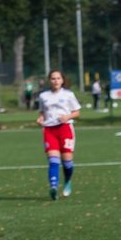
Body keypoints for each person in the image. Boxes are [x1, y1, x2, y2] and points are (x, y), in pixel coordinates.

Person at [36, 69, 82, 200]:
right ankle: (54, 187)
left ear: (62, 80)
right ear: (49, 81)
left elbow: (77, 112)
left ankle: (67, 181)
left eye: (58, 78)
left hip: (65, 129)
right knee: (53, 160)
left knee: (67, 162)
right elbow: (42, 112)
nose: (55, 81)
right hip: (49, 130)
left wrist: (68, 116)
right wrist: (40, 118)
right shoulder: (44, 96)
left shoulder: (68, 95)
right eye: (53, 78)